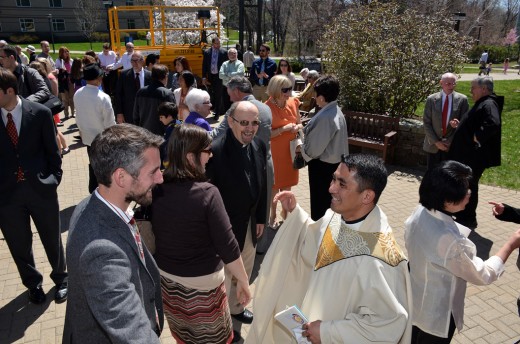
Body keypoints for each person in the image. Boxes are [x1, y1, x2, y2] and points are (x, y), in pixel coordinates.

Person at [247, 153, 412, 343]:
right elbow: (315, 241)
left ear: (367, 196)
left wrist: (328, 332)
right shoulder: (336, 216)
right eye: (334, 179)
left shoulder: (381, 259)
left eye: (342, 184)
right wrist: (296, 214)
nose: (331, 188)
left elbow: (387, 325)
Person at [63, 124, 164, 343]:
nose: (160, 179)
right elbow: (132, 333)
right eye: (153, 172)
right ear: (121, 177)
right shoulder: (101, 252)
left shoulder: (95, 202)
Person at [151, 124, 251, 343]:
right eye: (207, 150)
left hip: (168, 283)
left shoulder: (157, 189)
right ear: (190, 156)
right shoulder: (208, 193)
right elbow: (228, 245)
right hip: (203, 288)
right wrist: (243, 281)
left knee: (183, 337)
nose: (211, 155)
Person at [405, 160, 520, 343]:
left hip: (413, 299)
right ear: (447, 201)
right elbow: (483, 274)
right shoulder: (450, 242)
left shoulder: (420, 212)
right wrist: (511, 244)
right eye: (465, 192)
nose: (469, 194)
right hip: (437, 315)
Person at [0, 68, 68, 305]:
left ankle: (61, 279)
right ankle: (33, 284)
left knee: (52, 237)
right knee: (18, 243)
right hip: (7, 196)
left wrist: (53, 180)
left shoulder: (39, 113)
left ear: (9, 91)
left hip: (41, 189)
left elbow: (53, 151)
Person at [206, 101, 267, 342]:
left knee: (245, 271)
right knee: (223, 278)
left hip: (250, 226)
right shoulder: (216, 152)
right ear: (231, 122)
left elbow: (263, 183)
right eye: (244, 123)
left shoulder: (259, 146)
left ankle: (237, 310)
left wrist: (261, 216)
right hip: (224, 231)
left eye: (254, 123)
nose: (250, 128)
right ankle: (221, 322)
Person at [210, 76, 274, 234]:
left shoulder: (236, 111)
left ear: (237, 91)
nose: (229, 98)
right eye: (244, 123)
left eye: (230, 94)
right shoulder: (265, 107)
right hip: (265, 163)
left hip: (250, 165)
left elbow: (218, 134)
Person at [448, 76, 501, 229]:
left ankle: (468, 219)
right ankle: (464, 216)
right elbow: (476, 122)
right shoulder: (484, 102)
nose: (471, 90)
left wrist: (477, 137)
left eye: (473, 87)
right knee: (467, 184)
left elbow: (493, 122)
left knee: (469, 185)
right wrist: (462, 126)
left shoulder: (489, 103)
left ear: (484, 89)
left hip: (473, 157)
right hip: (469, 156)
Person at [299, 75, 348, 221]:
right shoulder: (334, 110)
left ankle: (320, 237)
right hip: (333, 165)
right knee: (329, 203)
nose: (314, 97)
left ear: (323, 96)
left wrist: (301, 149)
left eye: (316, 93)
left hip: (323, 167)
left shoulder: (326, 116)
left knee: (320, 205)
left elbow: (314, 150)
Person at [265, 75, 302, 226]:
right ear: (275, 89)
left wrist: (296, 127)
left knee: (287, 186)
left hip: (290, 151)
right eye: (285, 89)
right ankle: (272, 216)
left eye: (290, 89)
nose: (288, 93)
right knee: (274, 187)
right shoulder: (266, 107)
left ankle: (285, 214)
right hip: (275, 152)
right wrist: (284, 129)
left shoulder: (293, 102)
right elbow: (266, 133)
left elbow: (300, 124)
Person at [74, 63, 116, 194]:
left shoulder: (78, 93)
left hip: (87, 139)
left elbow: (78, 116)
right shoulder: (103, 97)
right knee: (105, 169)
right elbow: (110, 123)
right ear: (99, 78)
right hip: (103, 140)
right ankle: (105, 194)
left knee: (93, 166)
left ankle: (93, 191)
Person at [422, 72, 469, 170]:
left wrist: (450, 140)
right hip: (433, 146)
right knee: (431, 175)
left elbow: (465, 123)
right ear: (441, 83)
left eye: (453, 83)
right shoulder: (431, 99)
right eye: (448, 84)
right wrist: (436, 142)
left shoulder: (462, 100)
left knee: (447, 176)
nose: (451, 86)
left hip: (450, 147)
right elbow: (426, 122)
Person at [30, 60, 70, 155]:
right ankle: (65, 147)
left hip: (49, 108)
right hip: (50, 108)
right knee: (56, 129)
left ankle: (59, 152)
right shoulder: (45, 78)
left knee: (54, 132)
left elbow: (54, 94)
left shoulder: (46, 79)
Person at [133, 63, 175, 136]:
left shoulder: (140, 92)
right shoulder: (167, 93)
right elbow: (173, 118)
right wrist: (182, 123)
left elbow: (135, 116)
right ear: (165, 76)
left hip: (144, 135)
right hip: (162, 136)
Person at [114, 51, 151, 124]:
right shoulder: (124, 75)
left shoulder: (150, 76)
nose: (134, 63)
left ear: (142, 61)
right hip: (129, 114)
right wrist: (119, 113)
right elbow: (118, 94)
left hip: (146, 114)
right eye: (132, 61)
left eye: (136, 60)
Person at [202, 37, 228, 120]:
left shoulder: (224, 52)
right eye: (216, 43)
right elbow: (204, 65)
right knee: (211, 94)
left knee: (218, 94)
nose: (218, 45)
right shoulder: (207, 52)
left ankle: (217, 112)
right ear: (213, 43)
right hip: (210, 76)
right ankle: (214, 109)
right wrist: (203, 77)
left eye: (219, 43)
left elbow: (226, 65)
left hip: (219, 76)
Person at [219, 47, 245, 112]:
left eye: (234, 53)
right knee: (226, 108)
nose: (233, 55)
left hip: (236, 89)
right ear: (228, 55)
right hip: (226, 88)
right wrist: (231, 76)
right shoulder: (224, 64)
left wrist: (227, 74)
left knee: (236, 108)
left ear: (237, 54)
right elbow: (220, 75)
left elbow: (240, 74)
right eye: (231, 54)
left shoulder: (240, 64)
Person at [55, 46, 75, 119]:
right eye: (64, 52)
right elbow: (56, 70)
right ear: (61, 53)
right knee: (65, 99)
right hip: (63, 82)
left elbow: (73, 70)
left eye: (67, 51)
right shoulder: (58, 60)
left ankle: (73, 113)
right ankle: (66, 114)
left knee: (71, 98)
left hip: (70, 82)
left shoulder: (71, 60)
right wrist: (61, 70)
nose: (66, 53)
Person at [157, 101, 179, 166]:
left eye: (161, 117)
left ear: (169, 116)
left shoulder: (170, 129)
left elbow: (167, 147)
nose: (160, 120)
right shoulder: (180, 123)